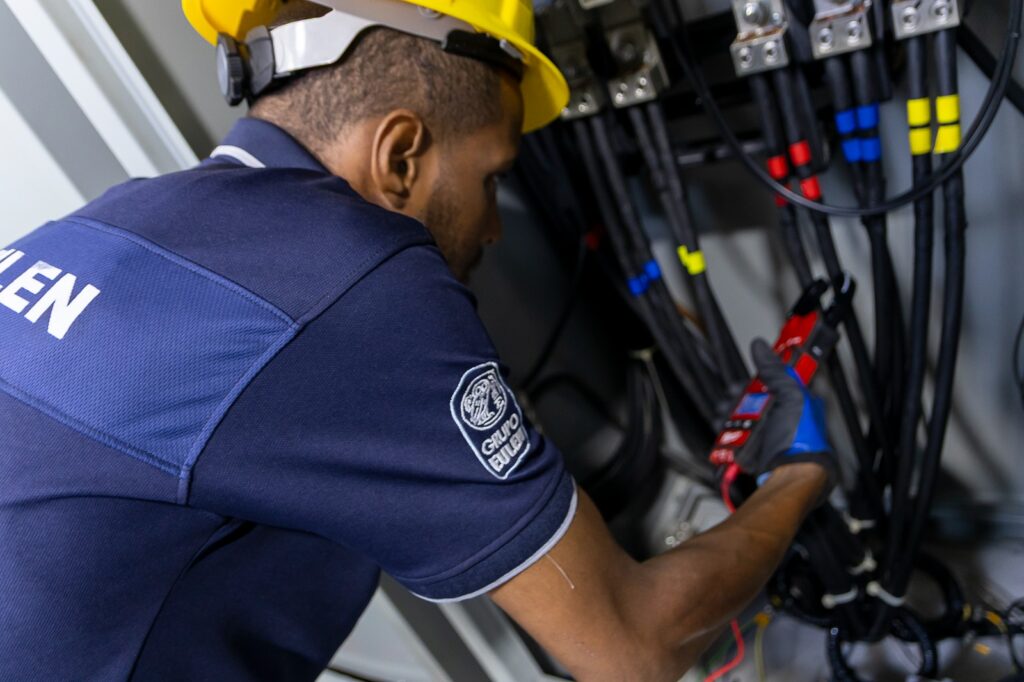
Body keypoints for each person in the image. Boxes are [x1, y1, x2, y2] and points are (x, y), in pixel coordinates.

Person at [0, 0, 839, 679]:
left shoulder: (110, 219)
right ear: (401, 155)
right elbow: (633, 647)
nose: (494, 227)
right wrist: (798, 477)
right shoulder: (352, 274)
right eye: (493, 177)